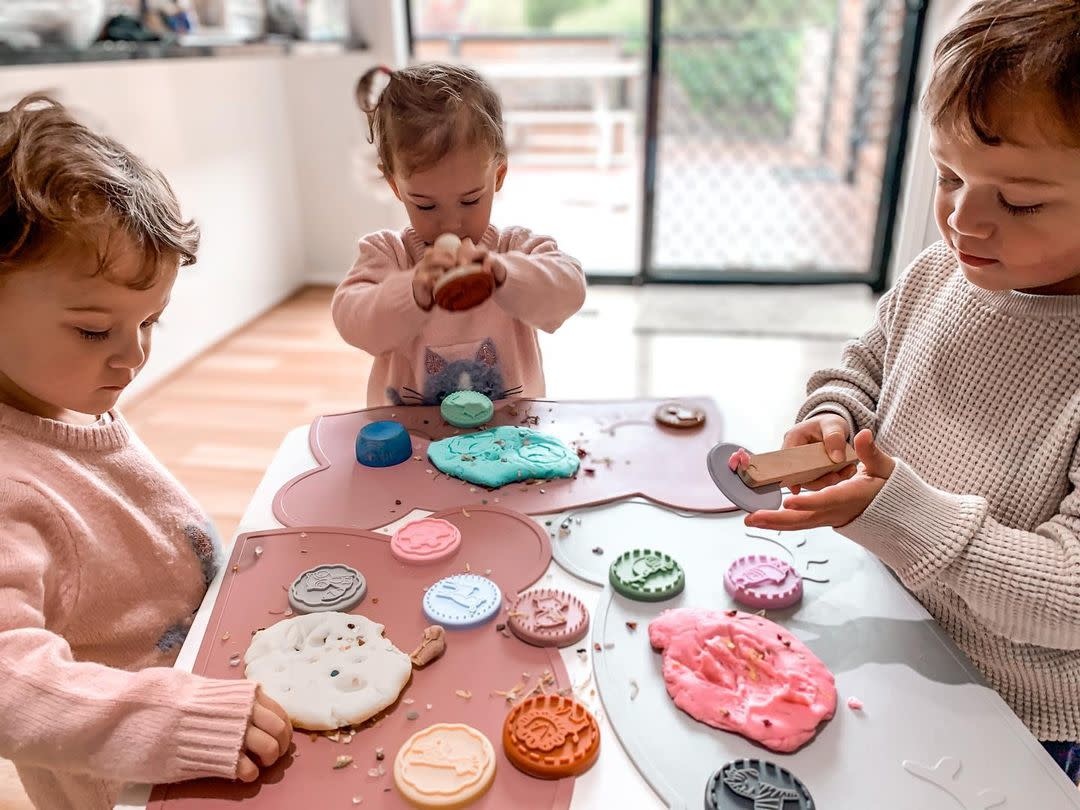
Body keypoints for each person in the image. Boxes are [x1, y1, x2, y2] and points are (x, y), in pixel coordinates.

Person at [745, 0, 1080, 782]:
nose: (964, 218)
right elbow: (864, 364)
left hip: (1015, 713)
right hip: (889, 620)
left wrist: (897, 513)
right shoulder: (941, 274)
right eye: (950, 175)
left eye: (1021, 200)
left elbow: (1068, 597)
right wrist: (833, 415)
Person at [0, 94, 292, 809]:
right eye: (95, 331)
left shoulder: (60, 399)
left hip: (205, 693)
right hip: (139, 777)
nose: (133, 357)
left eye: (151, 322)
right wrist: (171, 718)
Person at [333, 62, 587, 407]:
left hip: (509, 436)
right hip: (411, 440)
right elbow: (352, 320)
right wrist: (412, 290)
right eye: (425, 206)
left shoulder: (515, 248)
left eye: (469, 200)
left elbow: (569, 290)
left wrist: (504, 274)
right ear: (396, 187)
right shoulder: (388, 255)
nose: (451, 224)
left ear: (497, 176)